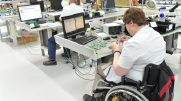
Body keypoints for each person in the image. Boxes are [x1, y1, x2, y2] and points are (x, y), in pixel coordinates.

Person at [83, 7, 166, 101]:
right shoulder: (156, 34)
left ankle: (96, 98)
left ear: (131, 23)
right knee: (111, 61)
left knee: (100, 68)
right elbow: (145, 46)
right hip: (153, 78)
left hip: (138, 79)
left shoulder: (134, 44)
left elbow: (119, 71)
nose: (126, 27)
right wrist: (130, 40)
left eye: (125, 24)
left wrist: (116, 50)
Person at [43, 0, 84, 66]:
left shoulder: (66, 9)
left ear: (69, 3)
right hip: (77, 32)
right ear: (76, 3)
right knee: (67, 36)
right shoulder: (81, 9)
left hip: (68, 33)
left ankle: (52, 60)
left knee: (51, 40)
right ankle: (67, 53)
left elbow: (61, 19)